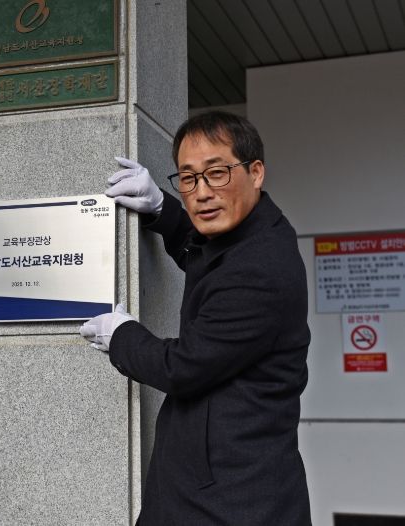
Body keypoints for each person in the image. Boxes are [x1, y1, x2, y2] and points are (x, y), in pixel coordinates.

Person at [81, 111, 311, 525]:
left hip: (235, 500)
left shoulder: (262, 269)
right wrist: (160, 208)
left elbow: (183, 366)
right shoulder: (252, 233)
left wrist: (121, 336)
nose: (202, 193)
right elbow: (206, 255)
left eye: (217, 173)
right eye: (188, 178)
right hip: (209, 483)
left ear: (256, 172)